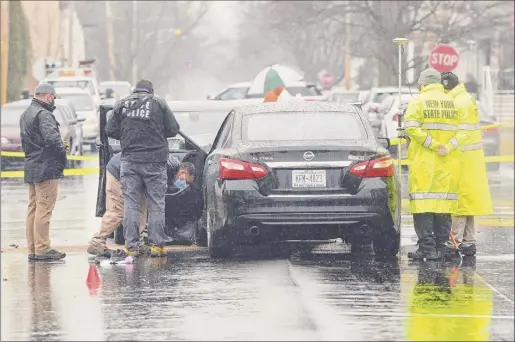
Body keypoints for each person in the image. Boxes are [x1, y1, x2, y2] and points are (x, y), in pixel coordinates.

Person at [105, 79, 180, 259]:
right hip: (155, 161)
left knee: (131, 205)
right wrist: (156, 133)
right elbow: (173, 129)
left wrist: (126, 134)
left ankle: (131, 247)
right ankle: (156, 246)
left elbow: (109, 129)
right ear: (150, 91)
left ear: (135, 90)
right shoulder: (159, 103)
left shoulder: (122, 104)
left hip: (130, 161)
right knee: (156, 204)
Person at [404, 68, 468, 261]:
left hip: (424, 164)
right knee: (443, 206)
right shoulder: (453, 103)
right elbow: (465, 132)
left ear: (422, 84)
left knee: (423, 205)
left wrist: (432, 144)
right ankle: (441, 248)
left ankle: (427, 248)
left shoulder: (418, 102)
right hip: (448, 165)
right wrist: (448, 146)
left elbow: (411, 128)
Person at [441, 72, 493, 256]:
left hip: (461, 156)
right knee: (468, 200)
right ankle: (469, 242)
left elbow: (458, 132)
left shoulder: (457, 102)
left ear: (446, 87)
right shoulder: (466, 98)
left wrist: (447, 147)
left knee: (459, 200)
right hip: (472, 157)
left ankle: (453, 241)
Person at [20, 83, 67, 261]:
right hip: (46, 167)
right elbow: (53, 141)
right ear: (48, 96)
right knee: (44, 209)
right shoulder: (44, 114)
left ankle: (33, 248)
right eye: (53, 98)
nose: (53, 101)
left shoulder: (26, 114)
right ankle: (42, 248)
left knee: (33, 208)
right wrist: (62, 154)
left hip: (32, 165)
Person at [87, 152, 148, 258]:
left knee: (142, 207)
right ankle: (97, 242)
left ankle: (138, 241)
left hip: (132, 170)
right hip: (118, 172)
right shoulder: (162, 168)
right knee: (117, 210)